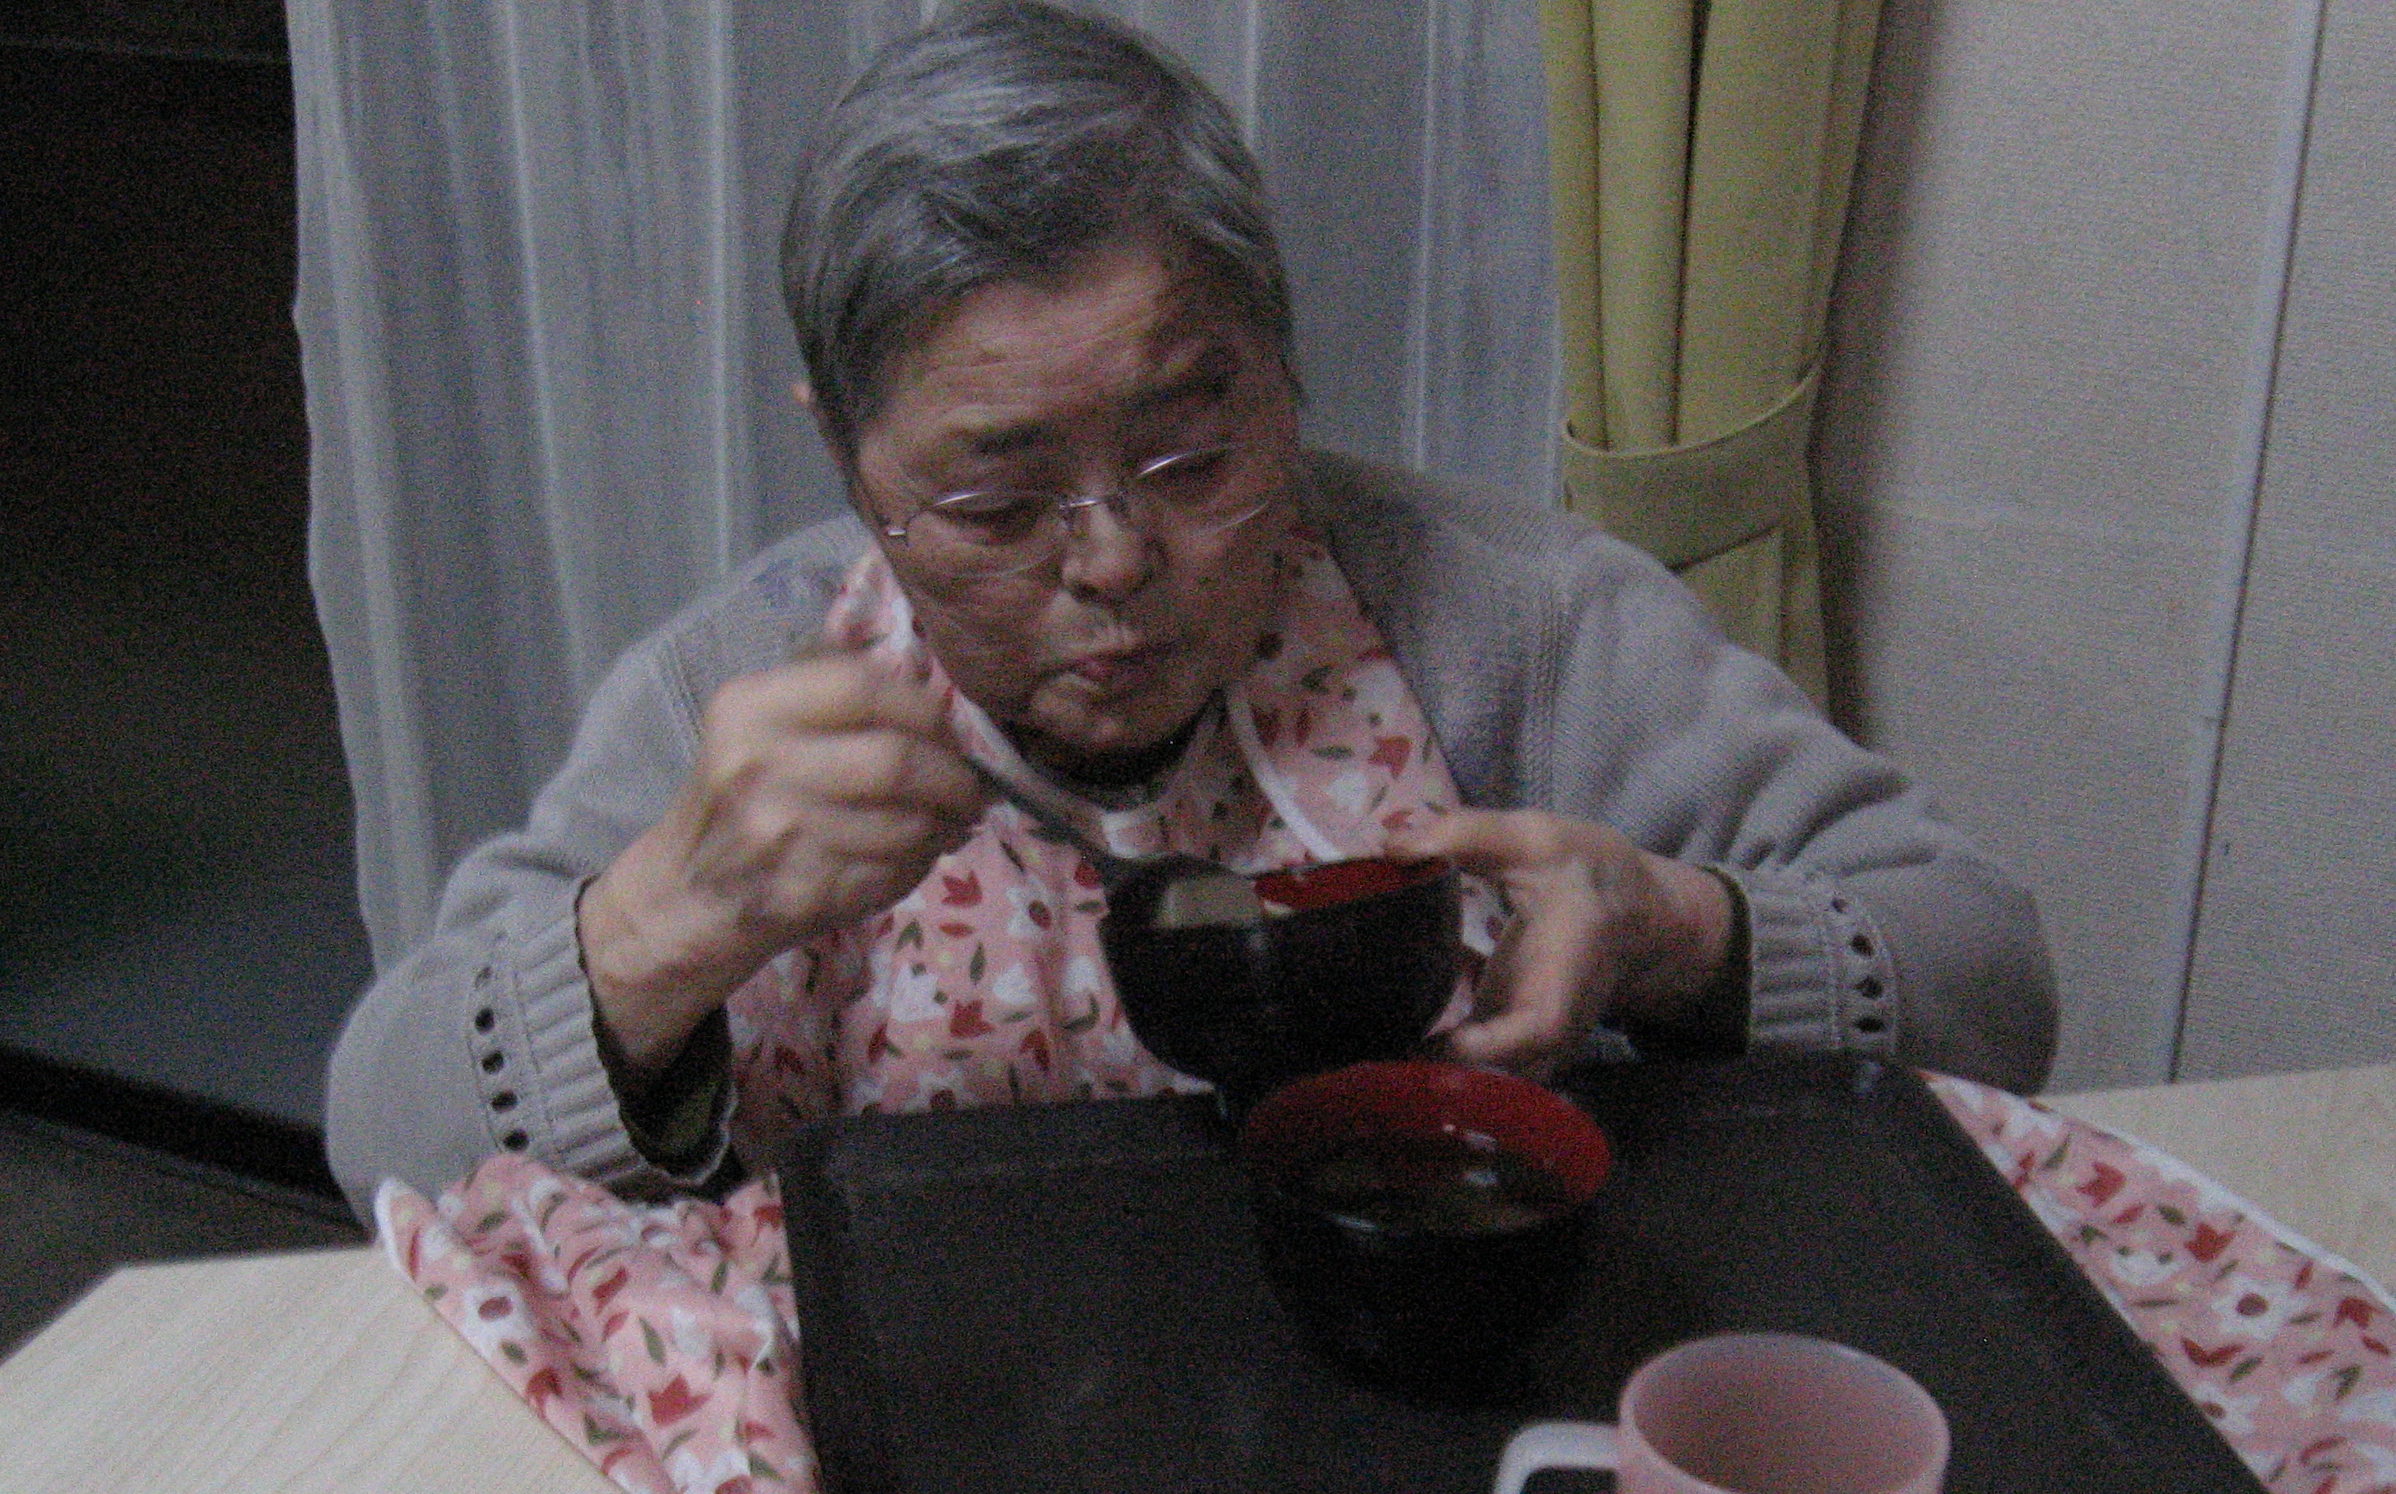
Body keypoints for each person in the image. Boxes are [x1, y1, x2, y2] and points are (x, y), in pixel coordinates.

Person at [324, 0, 2055, 1218]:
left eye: (1188, 455)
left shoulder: (1503, 626)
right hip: (924, 1441)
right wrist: (662, 926)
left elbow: (1993, 983)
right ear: (847, 458)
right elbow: (378, 1138)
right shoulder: (743, 682)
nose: (1110, 565)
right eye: (996, 503)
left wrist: (1671, 927)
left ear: (1285, 373)